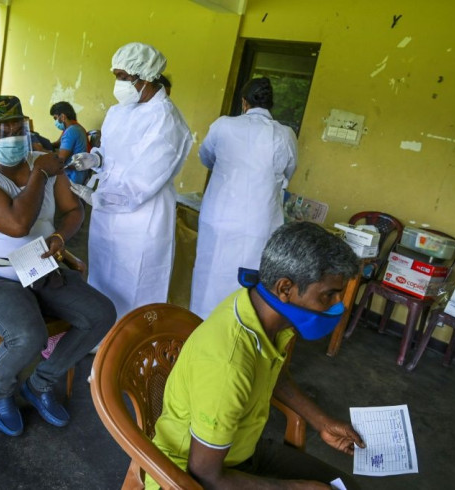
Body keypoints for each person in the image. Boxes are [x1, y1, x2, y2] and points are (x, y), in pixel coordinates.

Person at [148, 222, 363, 490]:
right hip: (187, 476)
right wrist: (298, 488)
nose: (336, 305)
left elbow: (274, 374)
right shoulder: (228, 366)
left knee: (347, 488)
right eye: (328, 295)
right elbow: (205, 475)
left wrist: (322, 421)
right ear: (285, 288)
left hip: (241, 451)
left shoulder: (260, 310)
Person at [0, 95, 116, 437]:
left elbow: (74, 211)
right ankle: (0, 392)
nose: (13, 137)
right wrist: (40, 174)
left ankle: (40, 383)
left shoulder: (44, 163)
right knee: (28, 335)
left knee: (101, 313)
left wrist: (58, 236)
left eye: (18, 128)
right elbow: (17, 224)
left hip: (40, 265)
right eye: (2, 131)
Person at [69, 42, 192, 320]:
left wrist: (96, 198)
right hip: (107, 218)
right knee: (103, 280)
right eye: (116, 75)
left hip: (141, 220)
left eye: (124, 77)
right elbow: (112, 153)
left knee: (135, 289)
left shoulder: (167, 121)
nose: (118, 83)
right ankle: (101, 342)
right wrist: (95, 160)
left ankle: (127, 352)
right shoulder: (118, 112)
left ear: (146, 77)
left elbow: (143, 182)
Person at [190, 77, 298, 320]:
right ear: (271, 104)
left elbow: (206, 157)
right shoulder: (285, 135)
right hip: (259, 221)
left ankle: (199, 325)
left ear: (244, 102)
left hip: (219, 217)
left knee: (210, 273)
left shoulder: (223, 126)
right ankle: (238, 327)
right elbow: (289, 171)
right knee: (247, 278)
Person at [49, 101, 89, 184]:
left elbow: (60, 160)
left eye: (55, 118)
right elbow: (59, 143)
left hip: (73, 177)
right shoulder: (75, 128)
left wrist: (41, 150)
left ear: (63, 116)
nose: (55, 122)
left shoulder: (71, 131)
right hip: (81, 174)